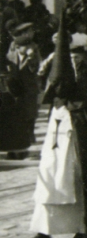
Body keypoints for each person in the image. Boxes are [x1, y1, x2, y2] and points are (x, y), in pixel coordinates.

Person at [21, 10, 87, 238]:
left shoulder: (80, 63)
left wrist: (73, 104)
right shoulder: (53, 60)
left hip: (74, 123)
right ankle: (44, 231)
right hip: (58, 121)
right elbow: (44, 80)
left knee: (72, 178)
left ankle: (83, 228)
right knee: (50, 177)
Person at [1, 22, 41, 159]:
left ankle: (26, 143)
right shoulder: (12, 50)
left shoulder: (34, 50)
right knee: (15, 118)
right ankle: (17, 147)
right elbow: (8, 66)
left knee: (29, 115)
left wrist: (30, 59)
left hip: (29, 88)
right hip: (14, 90)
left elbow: (36, 68)